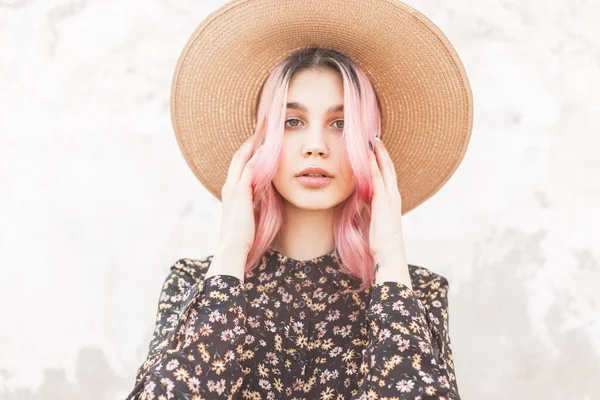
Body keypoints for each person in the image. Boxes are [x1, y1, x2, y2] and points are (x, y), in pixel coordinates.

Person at [126, 0, 473, 398]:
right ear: (262, 140)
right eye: (292, 122)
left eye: (341, 124)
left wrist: (391, 260)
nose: (314, 146)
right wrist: (229, 256)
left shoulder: (416, 290)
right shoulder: (194, 281)